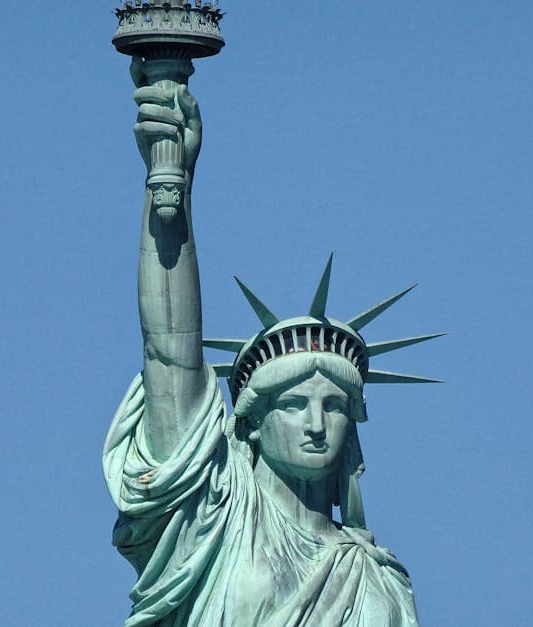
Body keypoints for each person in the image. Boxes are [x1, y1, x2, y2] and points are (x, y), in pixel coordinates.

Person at [103, 58, 431, 626]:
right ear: (251, 419)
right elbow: (169, 347)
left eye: (332, 407)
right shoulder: (213, 512)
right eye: (293, 404)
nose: (315, 424)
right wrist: (171, 180)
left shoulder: (375, 579)